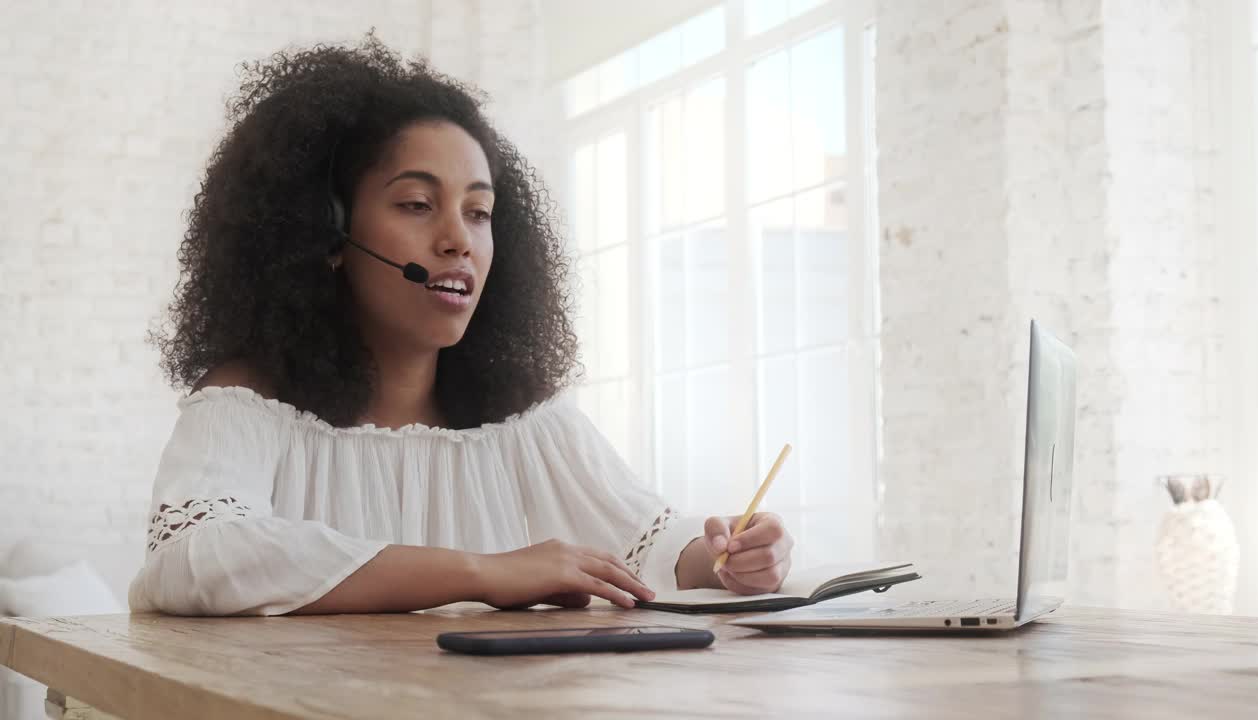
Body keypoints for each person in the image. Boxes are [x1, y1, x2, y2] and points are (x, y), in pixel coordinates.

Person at [128, 35, 793, 616]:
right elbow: (194, 557)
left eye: (479, 212)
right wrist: (481, 573)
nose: (458, 240)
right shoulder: (250, 403)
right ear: (326, 235)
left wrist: (728, 558)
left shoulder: (527, 425)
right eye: (418, 204)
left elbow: (654, 546)